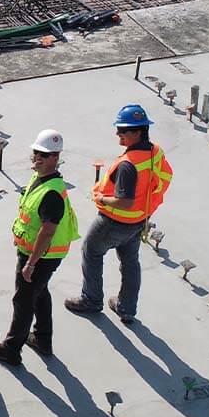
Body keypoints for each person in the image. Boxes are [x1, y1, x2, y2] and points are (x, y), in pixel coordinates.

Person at [65, 105, 172, 323]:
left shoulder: (128, 165)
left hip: (115, 222)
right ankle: (127, 309)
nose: (118, 134)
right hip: (139, 220)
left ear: (137, 132)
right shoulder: (154, 151)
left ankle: (91, 300)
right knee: (131, 261)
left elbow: (124, 201)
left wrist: (102, 199)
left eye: (122, 130)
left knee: (91, 252)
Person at [0, 130, 79, 365]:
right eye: (36, 153)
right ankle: (42, 338)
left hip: (40, 256)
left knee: (23, 300)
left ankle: (11, 349)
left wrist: (31, 263)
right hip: (37, 254)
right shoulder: (41, 179)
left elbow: (47, 231)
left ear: (55, 157)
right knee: (39, 293)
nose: (37, 158)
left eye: (44, 155)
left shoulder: (51, 194)